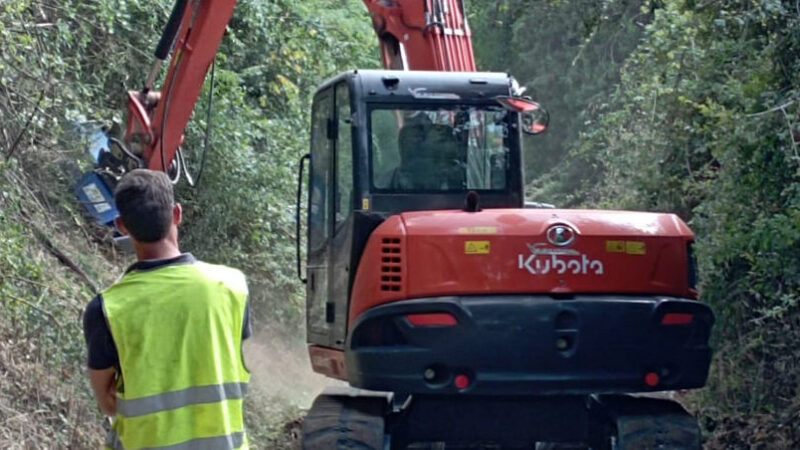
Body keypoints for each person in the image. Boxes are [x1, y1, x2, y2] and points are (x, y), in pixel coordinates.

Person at [82, 169, 252, 449]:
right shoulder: (233, 286)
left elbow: (109, 403)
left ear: (122, 225)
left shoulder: (106, 310)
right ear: (177, 213)